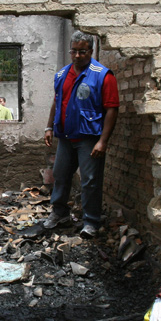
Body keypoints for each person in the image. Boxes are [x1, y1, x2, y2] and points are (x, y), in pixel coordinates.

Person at [43, 31, 119, 238]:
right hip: (66, 138)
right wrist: (49, 127)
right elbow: (56, 102)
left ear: (91, 51)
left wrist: (103, 141)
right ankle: (60, 213)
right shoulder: (61, 75)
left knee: (90, 180)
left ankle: (91, 221)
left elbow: (112, 108)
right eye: (74, 51)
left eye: (82, 51)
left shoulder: (103, 75)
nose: (77, 56)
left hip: (89, 138)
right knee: (60, 175)